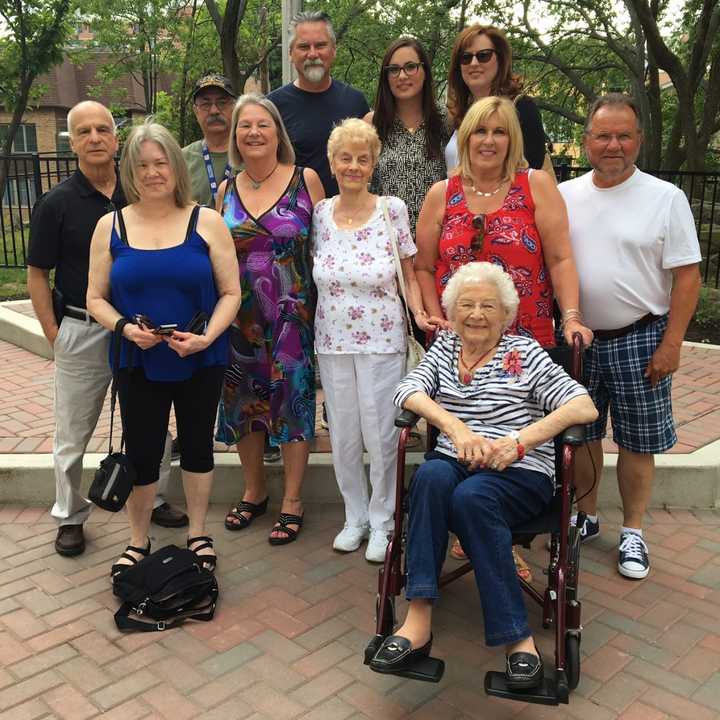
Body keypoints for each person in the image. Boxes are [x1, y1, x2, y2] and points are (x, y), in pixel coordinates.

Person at [369, 262, 598, 688]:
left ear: (506, 313)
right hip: (456, 461)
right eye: (467, 305)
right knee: (432, 479)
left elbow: (582, 405)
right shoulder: (444, 348)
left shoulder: (526, 354)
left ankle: (517, 639)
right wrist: (455, 429)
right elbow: (407, 390)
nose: (476, 314)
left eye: (488, 306)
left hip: (519, 471)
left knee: (471, 498)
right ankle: (417, 620)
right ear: (453, 311)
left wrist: (519, 442)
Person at [415, 95, 593, 570]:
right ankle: (473, 525)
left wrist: (571, 315)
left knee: (511, 424)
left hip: (526, 334)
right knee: (464, 425)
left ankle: (498, 534)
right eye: (479, 131)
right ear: (466, 139)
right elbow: (424, 265)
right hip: (462, 338)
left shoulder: (535, 185)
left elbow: (559, 258)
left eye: (498, 131)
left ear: (512, 138)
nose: (488, 140)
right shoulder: (442, 193)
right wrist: (434, 316)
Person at [26, 101, 188, 559]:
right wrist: (54, 333)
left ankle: (153, 497)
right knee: (73, 432)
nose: (95, 138)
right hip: (82, 328)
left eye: (103, 129)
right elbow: (38, 274)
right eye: (84, 131)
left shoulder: (139, 193)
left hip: (141, 331)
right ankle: (71, 515)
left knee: (151, 422)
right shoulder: (56, 203)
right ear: (72, 141)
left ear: (116, 139)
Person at [86, 121, 241, 576]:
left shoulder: (206, 221)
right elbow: (94, 297)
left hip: (199, 354)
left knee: (197, 446)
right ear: (130, 171)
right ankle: (138, 540)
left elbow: (231, 292)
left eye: (160, 163)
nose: (153, 173)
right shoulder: (110, 225)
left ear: (176, 166)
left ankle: (197, 532)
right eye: (142, 165)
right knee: (143, 450)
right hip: (137, 357)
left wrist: (207, 337)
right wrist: (124, 329)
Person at [559, 93, 702, 580]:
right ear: (586, 142)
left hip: (642, 336)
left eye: (623, 135)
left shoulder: (666, 198)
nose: (613, 144)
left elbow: (688, 276)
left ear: (639, 139)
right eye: (603, 135)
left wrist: (673, 343)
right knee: (582, 436)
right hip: (580, 340)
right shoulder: (565, 195)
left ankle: (634, 531)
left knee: (638, 442)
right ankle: (588, 516)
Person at [312, 118, 432, 562]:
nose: (354, 166)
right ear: (332, 162)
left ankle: (384, 521)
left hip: (382, 337)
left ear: (374, 162)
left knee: (381, 432)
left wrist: (419, 312)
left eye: (363, 158)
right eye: (346, 158)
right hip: (332, 338)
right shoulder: (321, 213)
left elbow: (409, 267)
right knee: (343, 432)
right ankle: (354, 516)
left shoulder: (392, 209)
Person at [216, 94, 324, 545]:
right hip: (241, 320)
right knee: (245, 405)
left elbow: (325, 249)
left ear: (278, 132)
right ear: (236, 138)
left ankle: (293, 500)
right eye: (245, 126)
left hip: (292, 318)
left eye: (263, 124)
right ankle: (254, 490)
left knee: (294, 404)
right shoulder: (224, 190)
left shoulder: (306, 181)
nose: (254, 132)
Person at [267, 10, 369, 198]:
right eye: (304, 46)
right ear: (290, 53)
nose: (313, 54)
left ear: (334, 50)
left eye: (321, 45)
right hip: (293, 220)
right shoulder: (272, 107)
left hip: (348, 218)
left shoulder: (356, 102)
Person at [364, 37, 451, 236]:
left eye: (410, 67)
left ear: (425, 71)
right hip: (385, 241)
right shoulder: (372, 124)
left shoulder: (446, 120)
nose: (402, 76)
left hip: (434, 239)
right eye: (394, 69)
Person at [445, 25, 547, 174]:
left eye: (483, 55)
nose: (474, 63)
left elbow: (530, 172)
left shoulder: (522, 109)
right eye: (466, 57)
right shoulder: (457, 114)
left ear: (500, 59)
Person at [182, 74, 237, 208]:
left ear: (235, 107)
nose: (214, 111)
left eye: (222, 103)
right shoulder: (181, 159)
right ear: (196, 111)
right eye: (206, 104)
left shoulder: (251, 154)